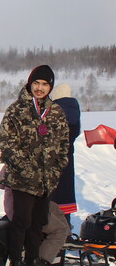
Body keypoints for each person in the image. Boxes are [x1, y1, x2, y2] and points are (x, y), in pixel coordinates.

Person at [0, 65, 70, 266]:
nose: (40, 88)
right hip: (22, 179)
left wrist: (56, 171)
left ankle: (33, 260)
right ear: (30, 84)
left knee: (38, 222)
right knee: (21, 221)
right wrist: (25, 169)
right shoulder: (16, 109)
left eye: (45, 84)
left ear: (50, 87)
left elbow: (64, 145)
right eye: (36, 83)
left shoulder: (55, 112)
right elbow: (4, 140)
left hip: (45, 180)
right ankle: (17, 263)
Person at [0, 166, 70, 266]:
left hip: (19, 204)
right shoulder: (34, 161)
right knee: (60, 230)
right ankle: (40, 262)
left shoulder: (14, 158)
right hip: (24, 208)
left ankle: (61, 242)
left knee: (55, 209)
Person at [50, 83, 81, 230]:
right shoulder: (75, 110)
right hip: (68, 157)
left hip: (54, 160)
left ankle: (55, 235)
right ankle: (66, 227)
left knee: (53, 199)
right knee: (65, 197)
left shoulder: (54, 110)